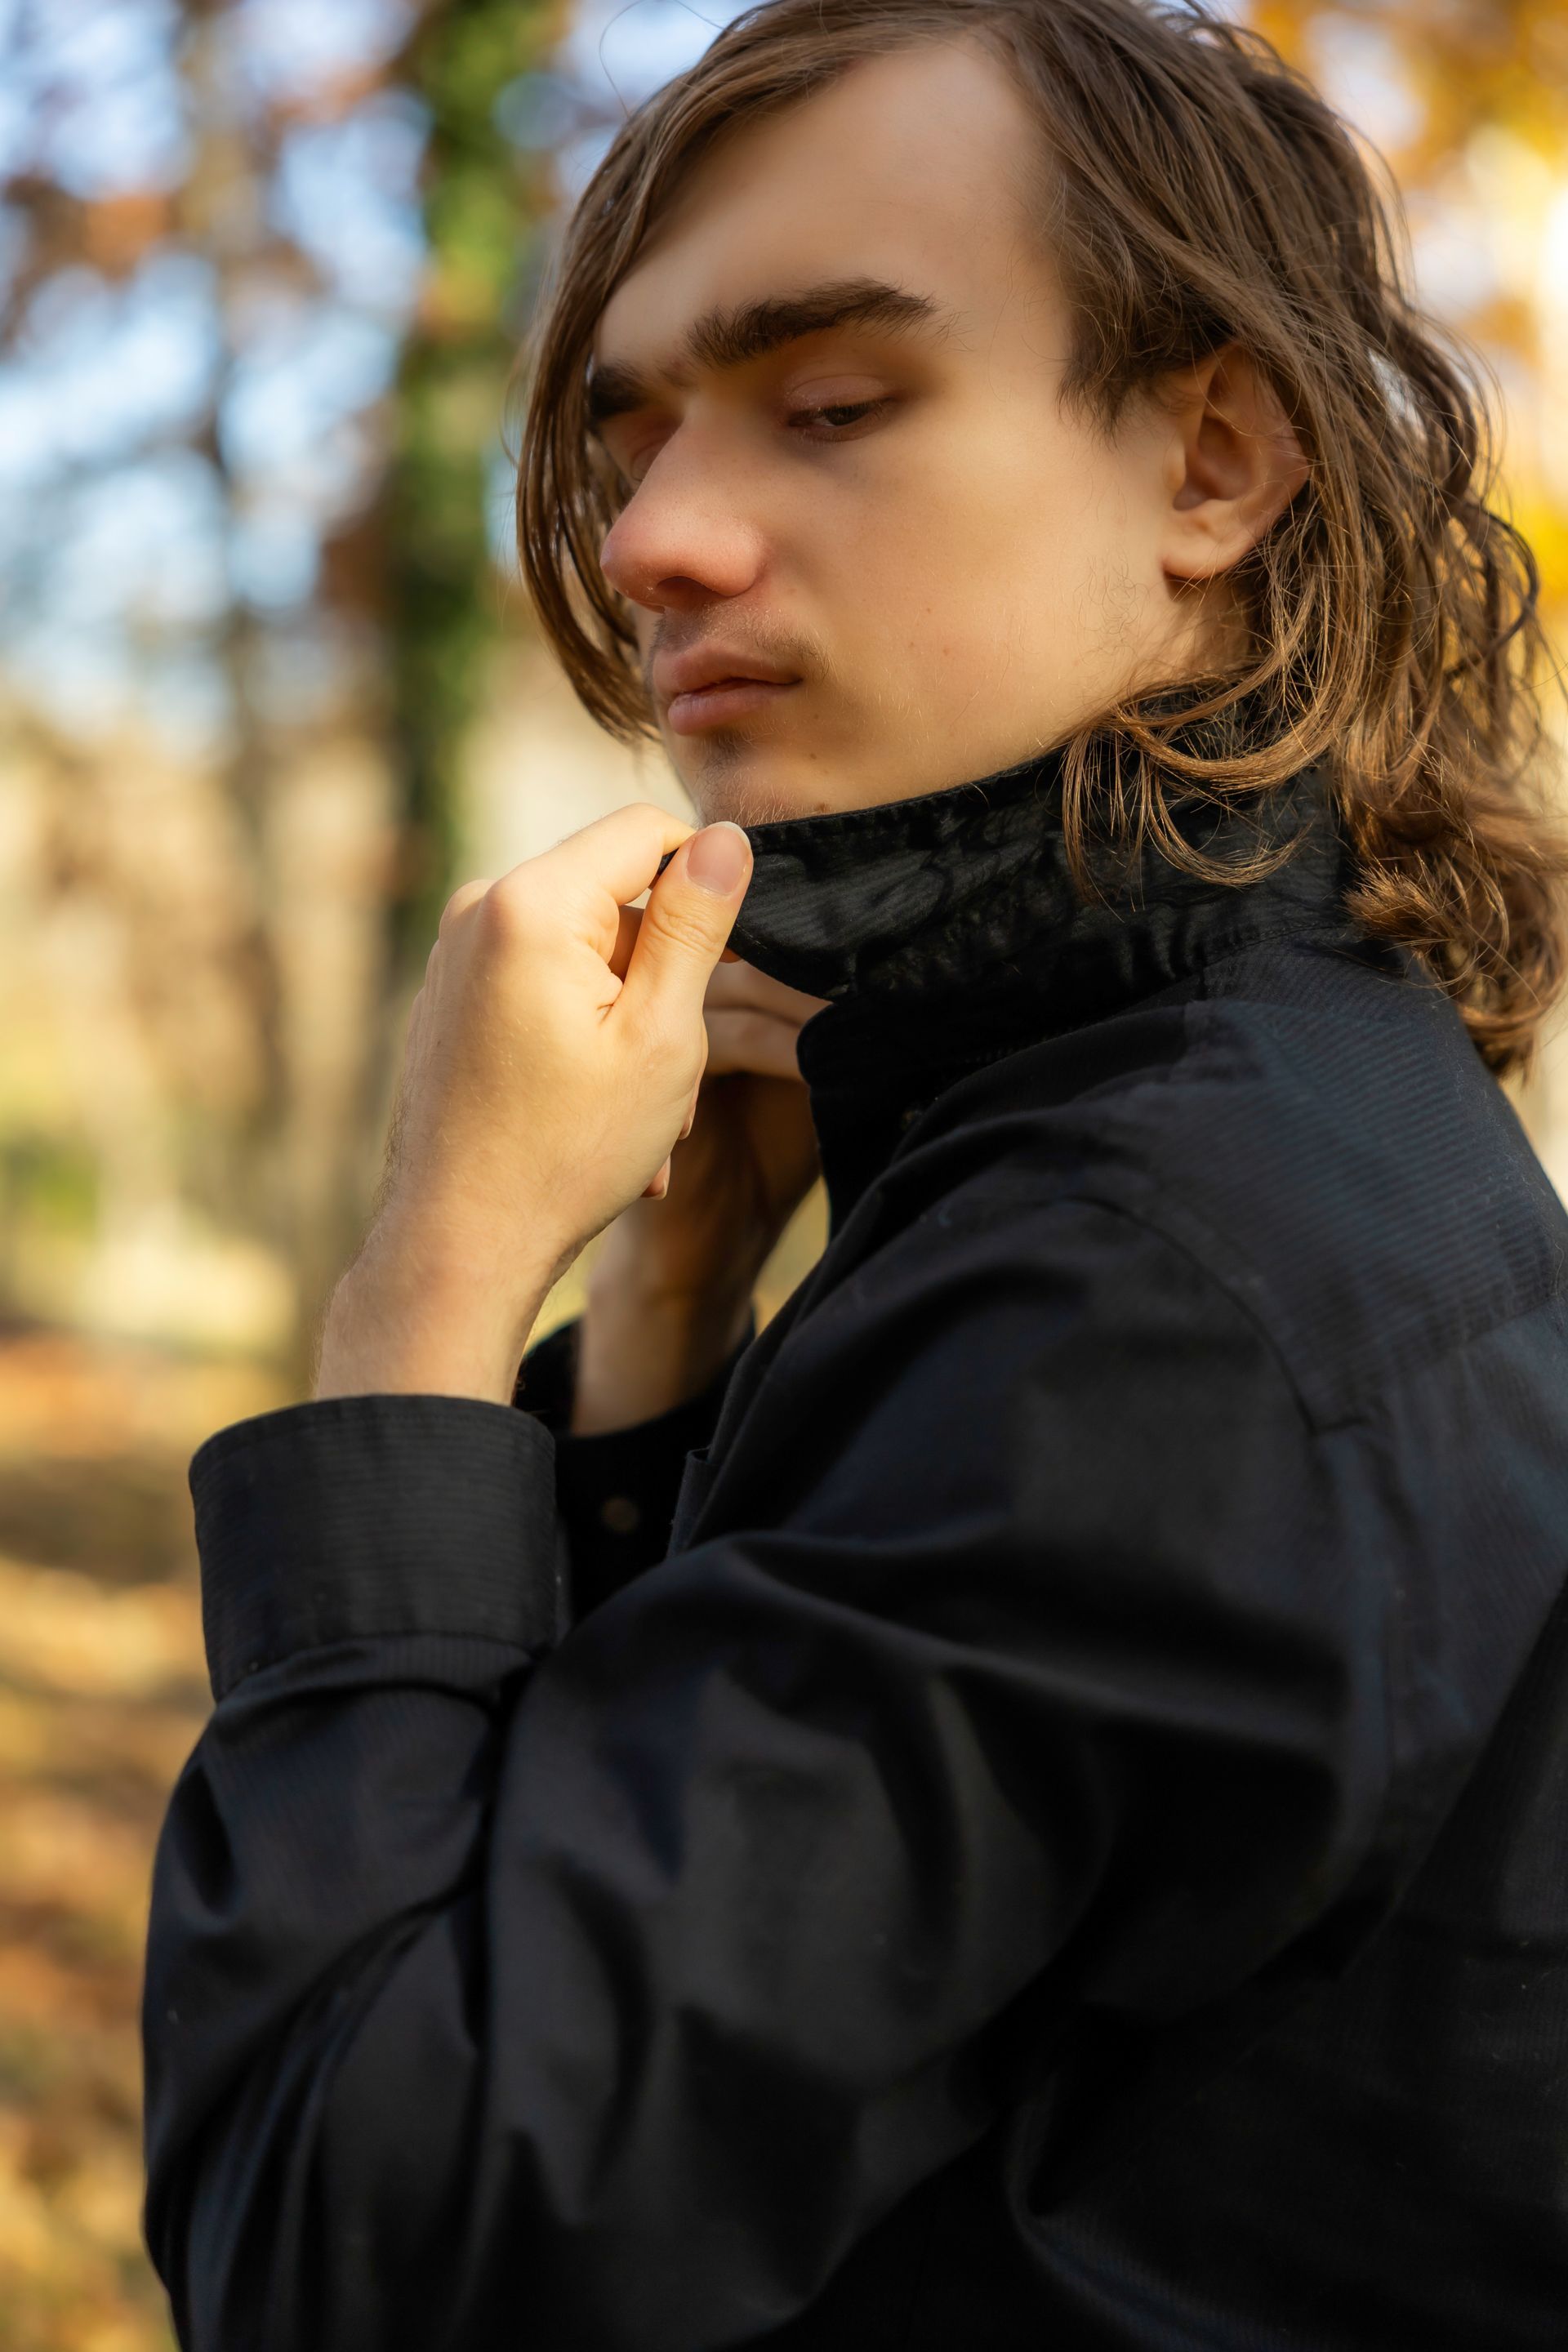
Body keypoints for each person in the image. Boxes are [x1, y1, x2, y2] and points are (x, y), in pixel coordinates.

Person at [142, 4, 1568, 2346]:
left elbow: (354, 2246)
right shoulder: (1221, 1116)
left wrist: (429, 1288)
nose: (656, 543)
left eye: (832, 406)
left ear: (1214, 461)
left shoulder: (1146, 1287)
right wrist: (662, 1322)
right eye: (634, 439)